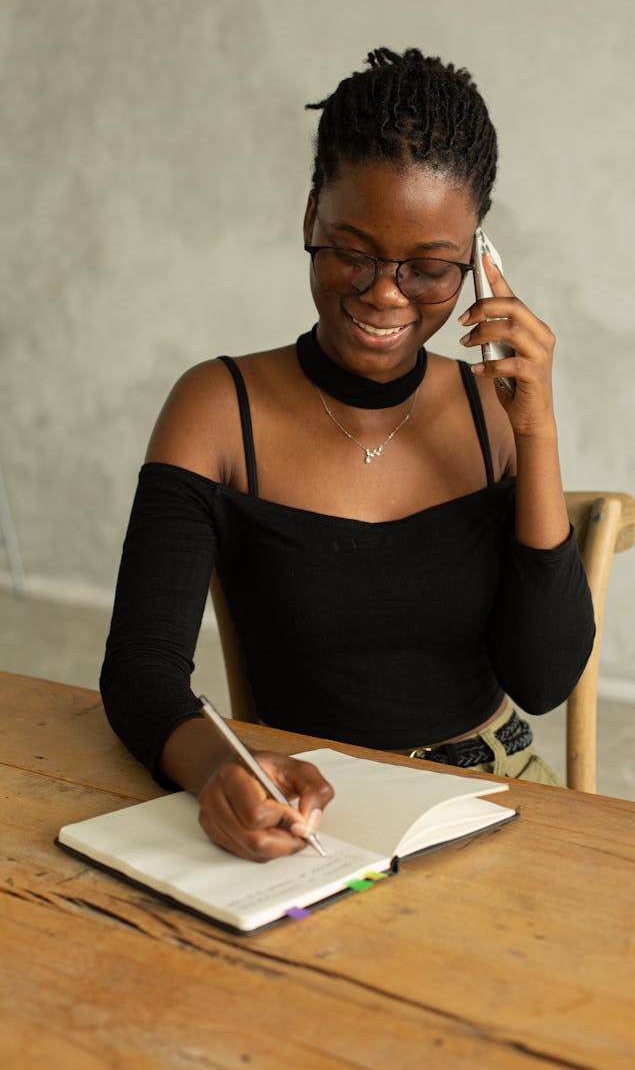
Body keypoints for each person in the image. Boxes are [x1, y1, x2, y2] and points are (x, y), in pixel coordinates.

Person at [100, 47, 595, 862]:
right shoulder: (219, 410)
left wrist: (536, 429)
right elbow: (140, 674)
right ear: (309, 219)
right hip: (324, 817)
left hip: (498, 796)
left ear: (475, 260)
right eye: (353, 252)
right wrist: (222, 772)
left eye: (430, 267)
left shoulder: (488, 412)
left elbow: (544, 680)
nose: (385, 293)